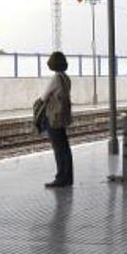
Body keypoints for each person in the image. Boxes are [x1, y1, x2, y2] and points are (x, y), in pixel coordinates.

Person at [40, 52, 73, 188]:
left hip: (54, 117)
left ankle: (60, 178)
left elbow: (43, 97)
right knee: (65, 148)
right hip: (63, 116)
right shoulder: (66, 78)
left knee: (58, 148)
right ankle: (68, 178)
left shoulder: (56, 78)